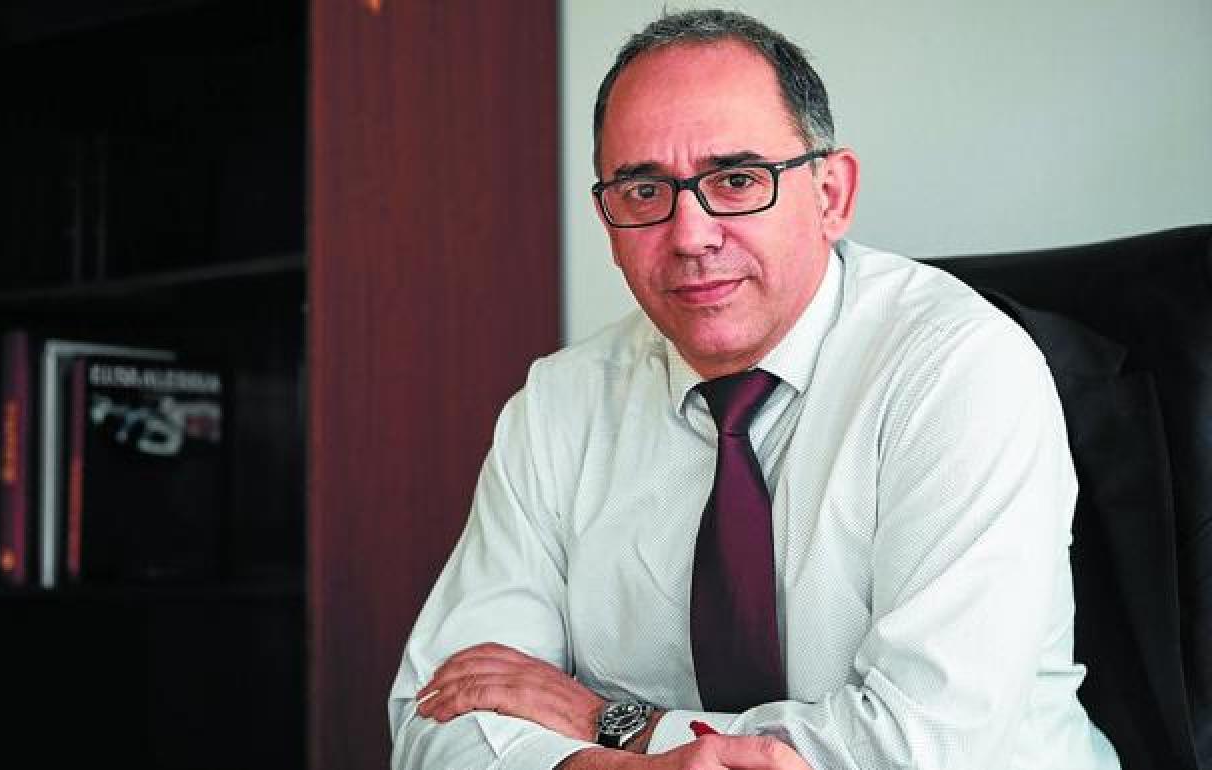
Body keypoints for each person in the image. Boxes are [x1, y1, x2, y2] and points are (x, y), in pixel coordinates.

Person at [388, 9, 1120, 770]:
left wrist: (614, 723)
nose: (690, 235)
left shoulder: (958, 373)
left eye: (737, 181)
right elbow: (433, 718)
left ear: (831, 195)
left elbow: (922, 747)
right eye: (644, 191)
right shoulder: (559, 406)